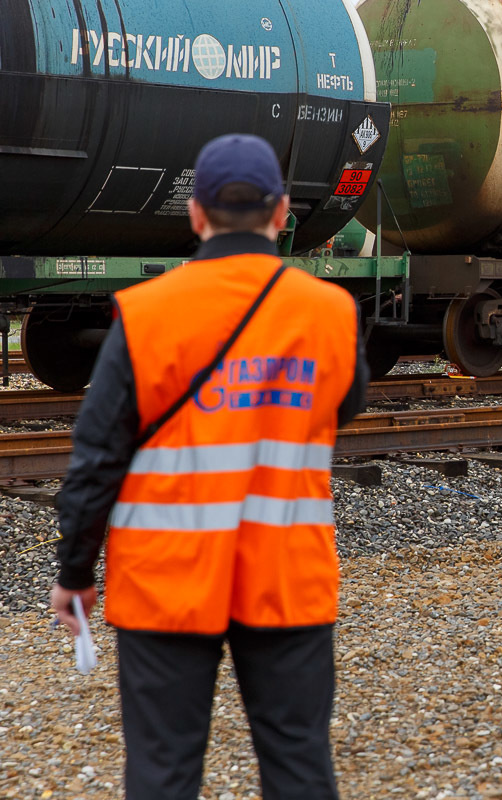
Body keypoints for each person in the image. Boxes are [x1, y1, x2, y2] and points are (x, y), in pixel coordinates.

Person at [50, 133, 369, 800]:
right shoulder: (330, 314)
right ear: (281, 213)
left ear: (195, 215)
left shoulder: (145, 315)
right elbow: (336, 412)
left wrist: (76, 572)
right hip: (286, 578)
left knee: (163, 772)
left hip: (166, 582)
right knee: (299, 764)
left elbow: (96, 458)